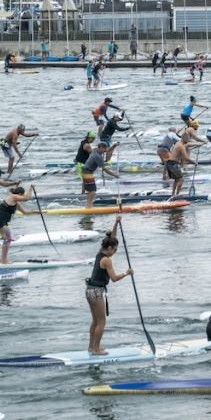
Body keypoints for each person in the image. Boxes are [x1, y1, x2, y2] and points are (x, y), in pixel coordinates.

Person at [86, 217, 134, 355]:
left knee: (95, 321)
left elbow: (111, 238)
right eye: (115, 249)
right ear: (109, 248)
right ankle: (96, 349)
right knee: (101, 322)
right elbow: (113, 279)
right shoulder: (106, 260)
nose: (115, 252)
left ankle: (91, 347)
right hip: (97, 292)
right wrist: (127, 273)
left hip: (89, 290)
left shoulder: (99, 253)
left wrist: (116, 223)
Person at [0, 185, 36, 264]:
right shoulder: (13, 197)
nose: (21, 198)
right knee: (7, 239)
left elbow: (25, 212)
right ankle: (3, 260)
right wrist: (31, 188)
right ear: (19, 194)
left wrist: (37, 212)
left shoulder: (15, 203)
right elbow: (26, 198)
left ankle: (4, 260)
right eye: (22, 195)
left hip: (3, 221)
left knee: (8, 239)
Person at [82, 143, 118, 208]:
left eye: (105, 148)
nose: (105, 150)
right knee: (92, 191)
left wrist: (113, 146)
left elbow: (107, 150)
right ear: (100, 147)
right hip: (87, 172)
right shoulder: (97, 157)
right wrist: (114, 175)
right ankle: (88, 206)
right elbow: (104, 169)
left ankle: (88, 205)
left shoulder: (95, 150)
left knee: (91, 190)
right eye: (104, 148)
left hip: (86, 171)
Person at [166, 132, 198, 197]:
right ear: (184, 138)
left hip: (169, 163)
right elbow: (186, 158)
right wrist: (194, 162)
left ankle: (173, 194)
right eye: (188, 139)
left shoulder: (178, 143)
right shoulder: (181, 146)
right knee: (181, 180)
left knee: (176, 179)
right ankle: (177, 194)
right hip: (173, 164)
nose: (188, 140)